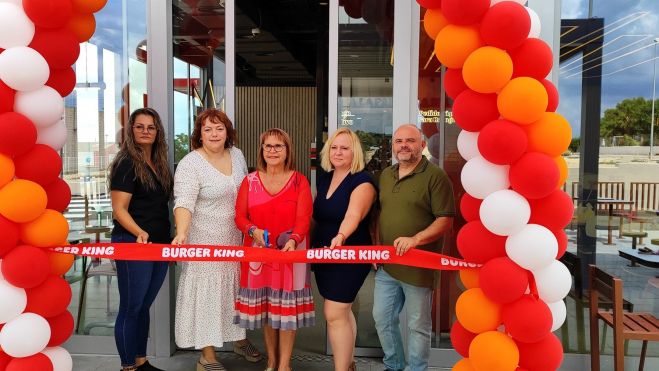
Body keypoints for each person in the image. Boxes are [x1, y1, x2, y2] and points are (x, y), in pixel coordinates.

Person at [171, 109, 262, 371]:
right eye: (207, 129)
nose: (213, 134)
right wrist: (182, 232)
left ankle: (239, 339)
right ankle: (207, 356)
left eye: (219, 128)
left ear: (227, 132)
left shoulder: (237, 155)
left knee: (236, 293)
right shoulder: (191, 163)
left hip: (235, 239)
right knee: (208, 298)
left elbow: (247, 193)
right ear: (199, 133)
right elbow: (184, 203)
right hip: (204, 242)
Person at [373, 124, 455, 371]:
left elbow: (446, 220)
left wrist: (415, 240)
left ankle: (417, 369)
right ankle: (393, 365)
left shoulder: (435, 176)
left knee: (418, 326)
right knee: (382, 319)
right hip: (387, 266)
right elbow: (381, 214)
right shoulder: (386, 175)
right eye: (398, 141)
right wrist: (376, 247)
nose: (403, 146)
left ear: (422, 145)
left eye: (410, 141)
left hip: (419, 266)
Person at [234, 128, 315, 371]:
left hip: (292, 254)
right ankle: (271, 361)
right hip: (259, 256)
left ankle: (285, 365)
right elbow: (239, 216)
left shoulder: (299, 180)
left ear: (288, 150)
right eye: (268, 146)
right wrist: (252, 231)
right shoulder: (249, 181)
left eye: (278, 146)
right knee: (269, 309)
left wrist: (295, 239)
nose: (272, 150)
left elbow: (304, 218)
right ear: (261, 150)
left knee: (287, 313)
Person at [109, 108, 173, 371]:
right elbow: (119, 209)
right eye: (140, 126)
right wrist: (138, 232)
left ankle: (141, 361)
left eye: (151, 127)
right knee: (131, 307)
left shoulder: (158, 165)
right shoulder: (126, 163)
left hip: (158, 245)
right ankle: (127, 367)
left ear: (157, 132)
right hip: (132, 243)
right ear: (131, 131)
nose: (146, 131)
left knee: (143, 306)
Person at [311, 127, 376, 371]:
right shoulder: (326, 178)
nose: (338, 152)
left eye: (345, 148)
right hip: (324, 256)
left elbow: (354, 214)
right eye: (334, 147)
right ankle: (349, 364)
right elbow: (318, 216)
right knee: (343, 313)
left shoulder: (362, 180)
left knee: (333, 312)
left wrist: (341, 235)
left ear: (355, 152)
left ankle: (341, 369)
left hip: (349, 254)